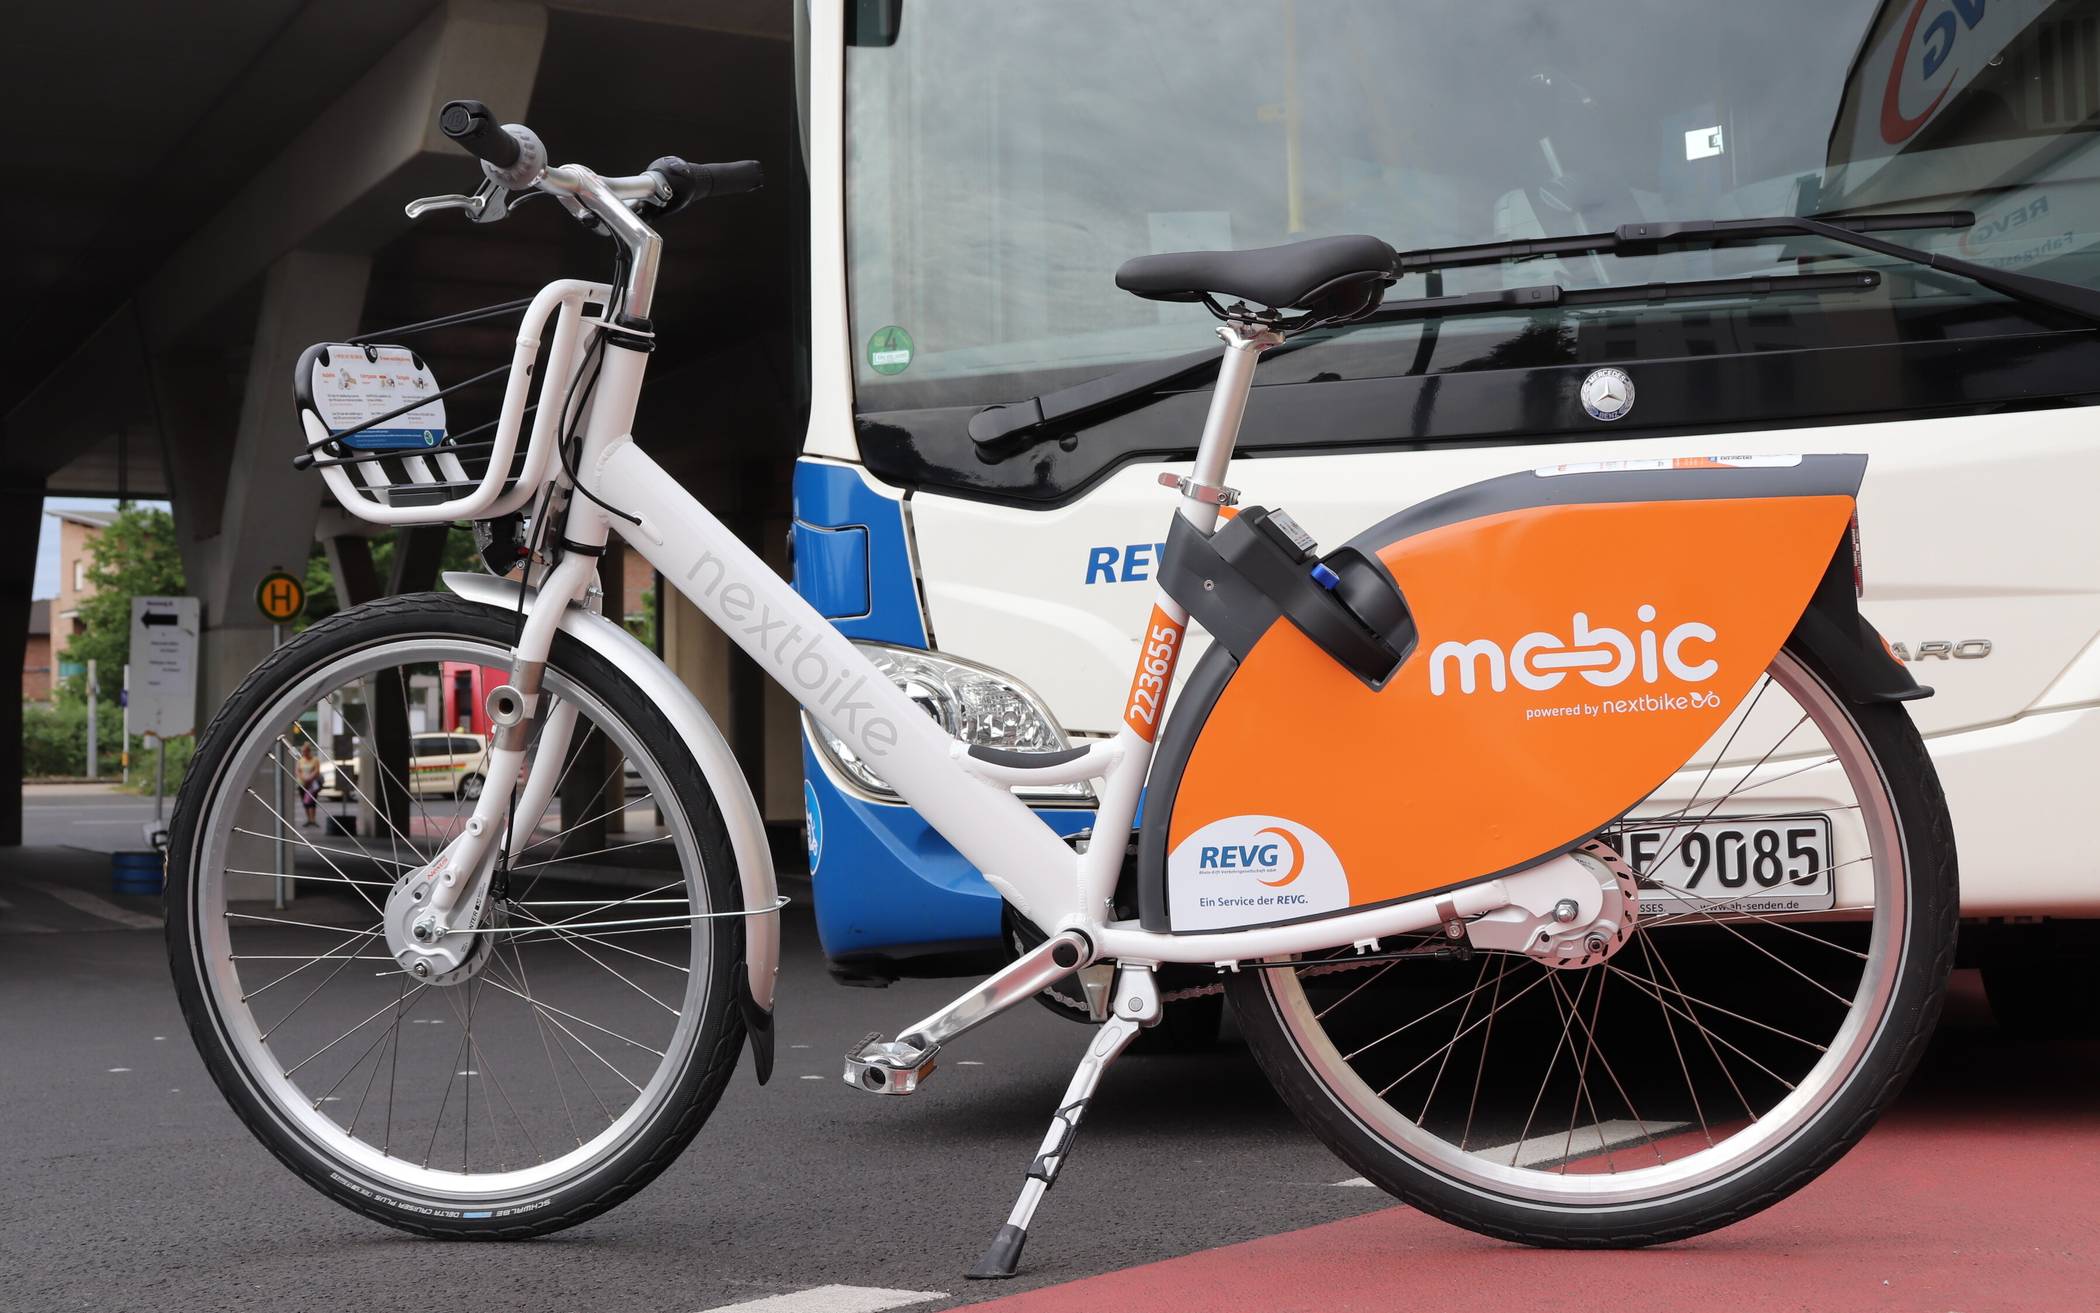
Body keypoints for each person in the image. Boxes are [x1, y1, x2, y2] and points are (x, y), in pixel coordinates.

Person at [297, 741, 323, 827]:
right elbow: (298, 771)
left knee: (312, 802)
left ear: (308, 751)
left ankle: (313, 819)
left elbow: (317, 771)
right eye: (302, 751)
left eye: (304, 751)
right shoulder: (301, 760)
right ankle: (308, 819)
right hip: (302, 783)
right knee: (305, 802)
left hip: (312, 785)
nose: (303, 753)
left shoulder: (315, 760)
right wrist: (303, 778)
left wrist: (309, 778)